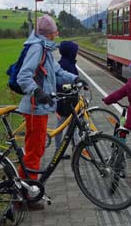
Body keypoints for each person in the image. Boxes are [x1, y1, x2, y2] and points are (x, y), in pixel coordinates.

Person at [17, 15, 82, 180]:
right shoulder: (37, 48)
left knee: (36, 150)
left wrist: (75, 79)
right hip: (35, 107)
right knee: (34, 151)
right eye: (55, 32)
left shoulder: (44, 49)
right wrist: (38, 92)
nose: (56, 35)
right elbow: (23, 76)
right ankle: (27, 193)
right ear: (48, 34)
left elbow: (58, 72)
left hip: (40, 107)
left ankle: (25, 188)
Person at [54, 40, 79, 158]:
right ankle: (74, 149)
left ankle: (60, 150)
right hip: (67, 101)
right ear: (70, 53)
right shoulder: (67, 65)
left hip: (64, 100)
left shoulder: (64, 63)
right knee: (71, 125)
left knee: (63, 126)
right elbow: (62, 82)